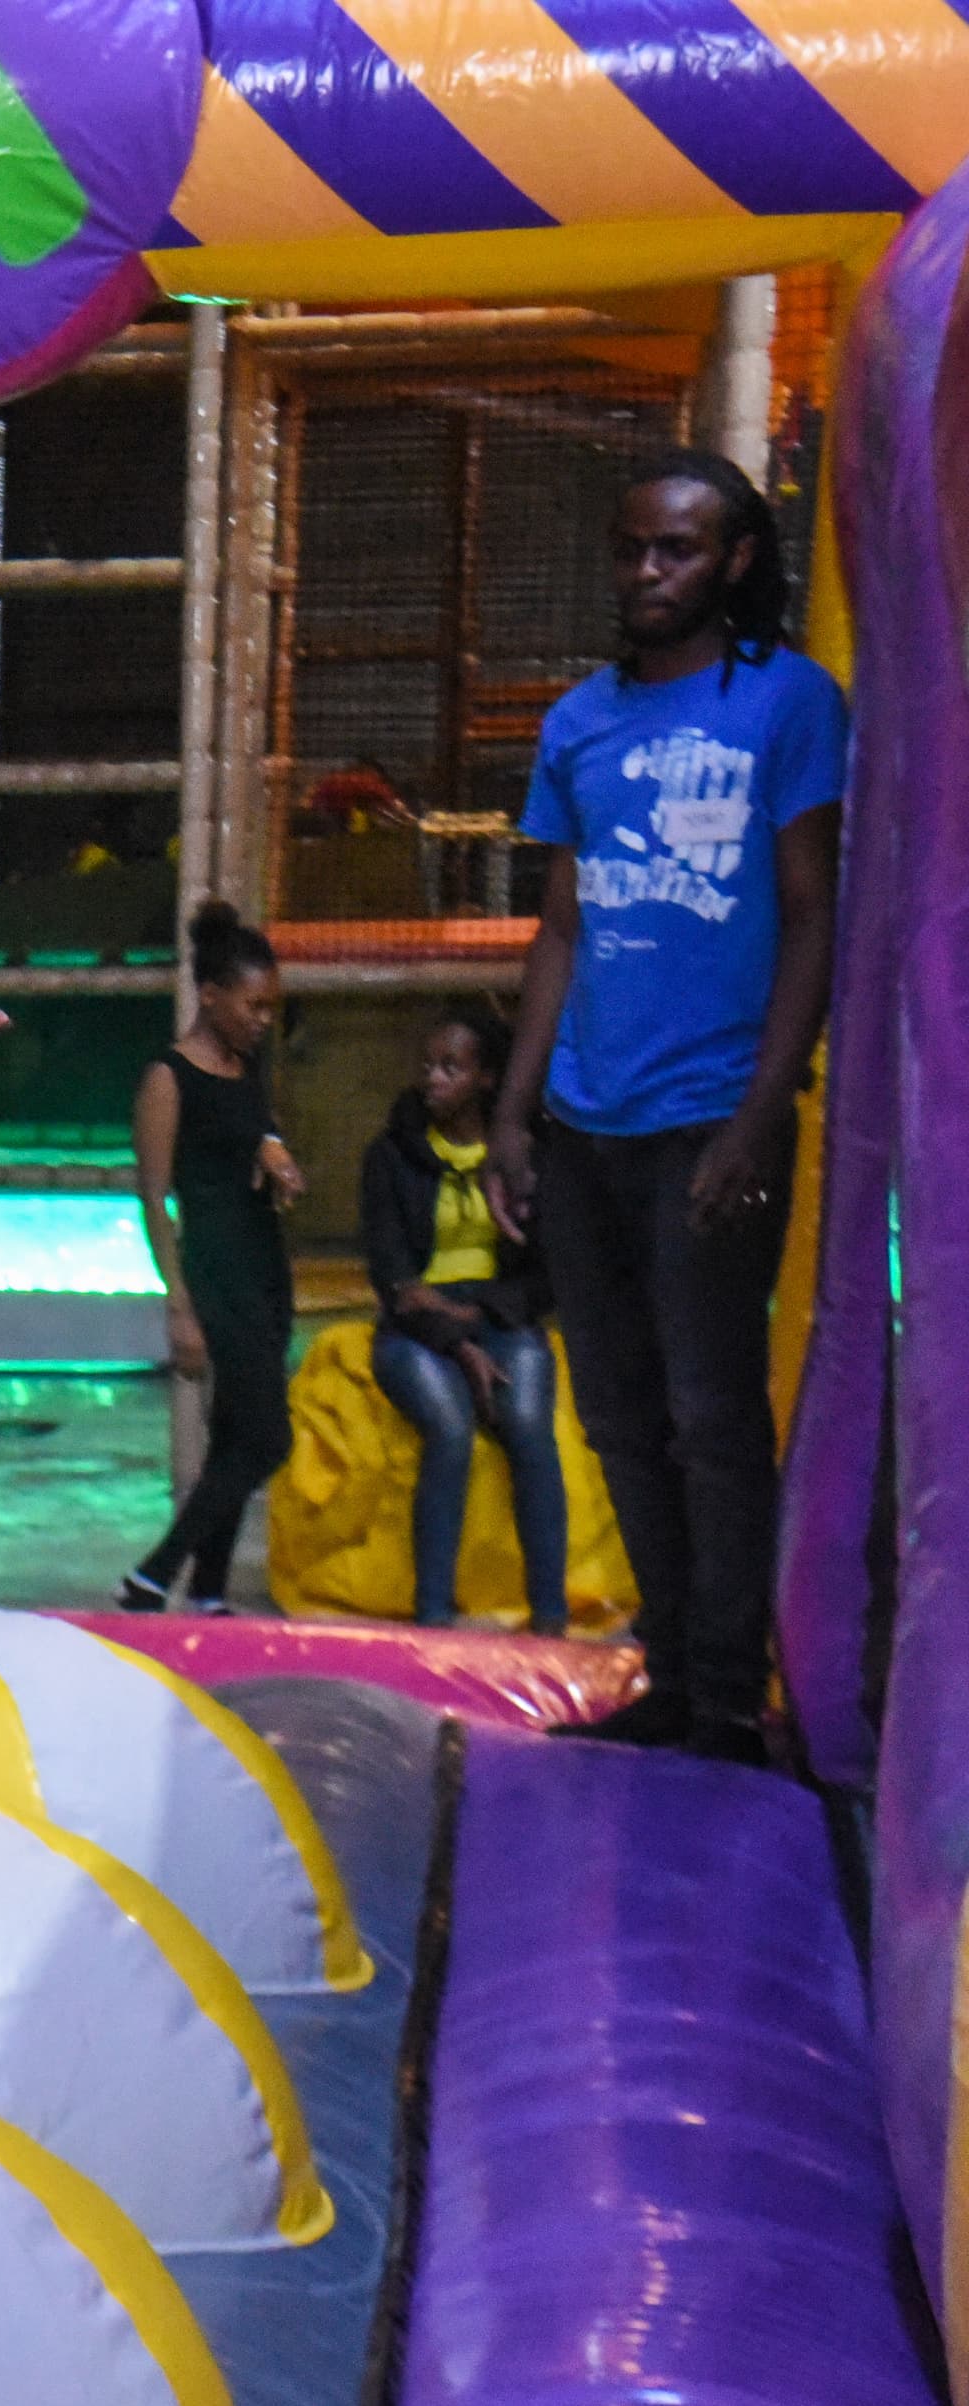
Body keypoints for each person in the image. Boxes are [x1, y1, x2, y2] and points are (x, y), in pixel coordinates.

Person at [489, 452, 842, 1765]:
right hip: (587, 1124)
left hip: (710, 1119)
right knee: (619, 1418)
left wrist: (760, 1115)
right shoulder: (581, 720)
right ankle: (673, 1669)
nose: (647, 571)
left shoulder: (789, 702)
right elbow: (562, 927)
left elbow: (811, 916)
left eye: (677, 549)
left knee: (711, 1416)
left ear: (735, 559)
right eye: (632, 547)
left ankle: (730, 1697)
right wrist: (514, 1115)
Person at [122, 904, 302, 1613]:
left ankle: (208, 1591)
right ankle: (156, 1570)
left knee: (235, 1432)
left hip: (264, 1261)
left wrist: (276, 1156)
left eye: (270, 1006)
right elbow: (154, 1197)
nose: (263, 1019)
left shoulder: (246, 1066)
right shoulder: (168, 1078)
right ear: (211, 995)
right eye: (253, 1005)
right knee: (267, 1437)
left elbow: (258, 1130)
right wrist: (179, 1303)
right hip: (216, 1269)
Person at [362, 1011, 565, 1632]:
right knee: (449, 1428)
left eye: (451, 1068)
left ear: (486, 1079)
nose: (433, 1078)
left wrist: (482, 1317)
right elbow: (395, 1279)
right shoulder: (391, 1155)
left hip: (498, 1309)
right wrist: (458, 1340)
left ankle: (550, 1618)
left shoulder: (523, 1157)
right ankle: (433, 1616)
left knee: (528, 1426)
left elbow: (548, 1273)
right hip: (419, 1324)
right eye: (428, 1066)